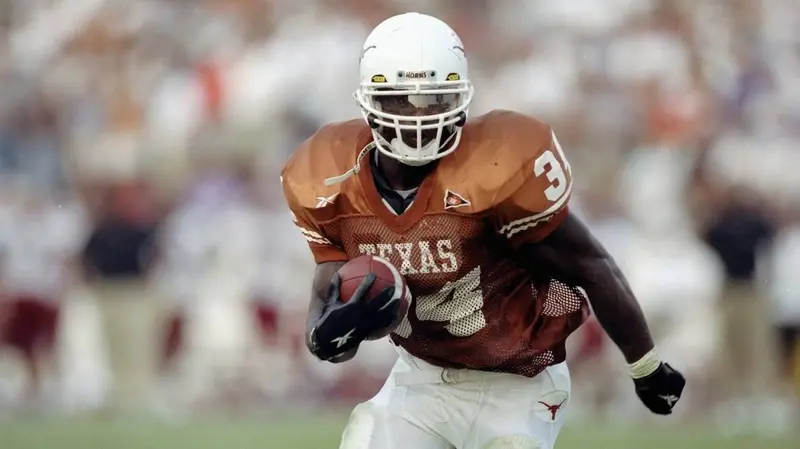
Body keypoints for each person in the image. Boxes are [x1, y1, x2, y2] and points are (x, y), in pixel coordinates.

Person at [280, 13, 686, 449]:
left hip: (521, 383)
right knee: (366, 439)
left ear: (460, 98)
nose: (419, 116)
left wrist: (646, 367)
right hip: (423, 381)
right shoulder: (329, 177)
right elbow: (329, 325)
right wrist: (329, 334)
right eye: (401, 100)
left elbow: (591, 266)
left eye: (435, 99)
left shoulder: (497, 167)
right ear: (370, 100)